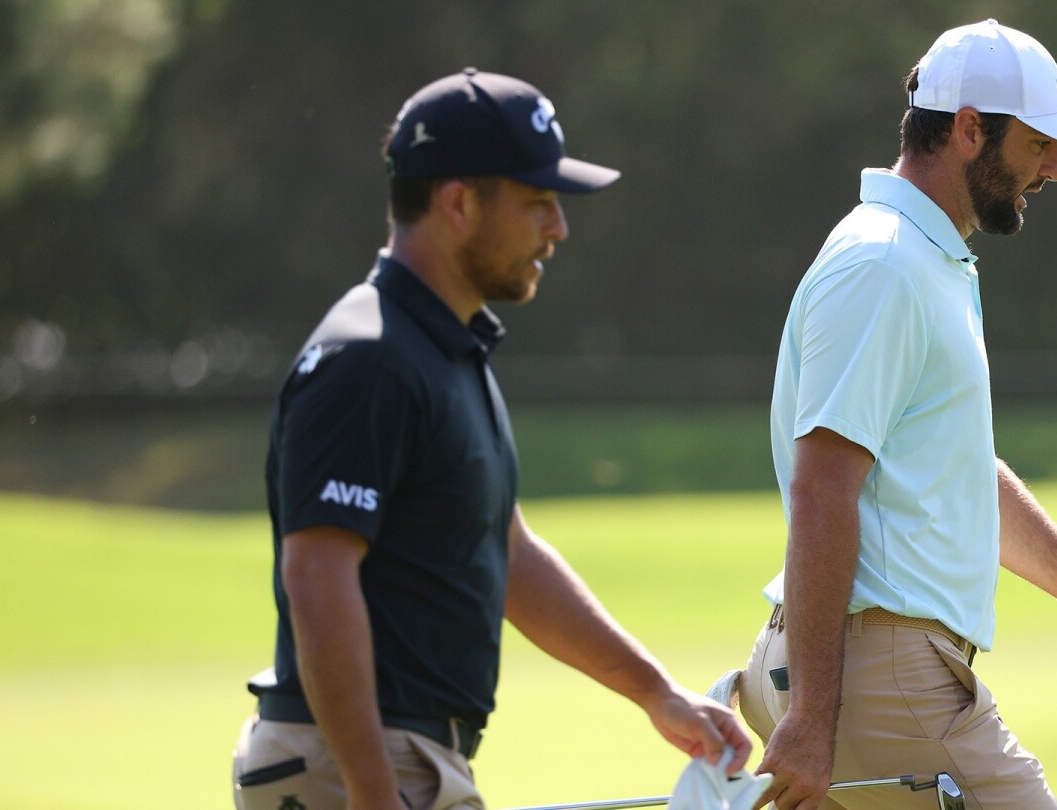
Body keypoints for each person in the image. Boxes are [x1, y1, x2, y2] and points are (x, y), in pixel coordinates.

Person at [230, 68, 750, 810]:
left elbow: (505, 553)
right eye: (538, 203)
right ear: (458, 203)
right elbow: (317, 580)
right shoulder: (368, 359)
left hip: (396, 759)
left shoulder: (441, 351)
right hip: (357, 765)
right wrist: (375, 794)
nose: (557, 229)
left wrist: (654, 693)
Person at [736, 20, 1057, 810]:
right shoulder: (884, 264)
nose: (1054, 169)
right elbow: (822, 490)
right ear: (967, 130)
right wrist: (816, 719)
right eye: (1037, 144)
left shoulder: (927, 262)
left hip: (872, 676)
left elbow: (964, 482)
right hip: (881, 680)